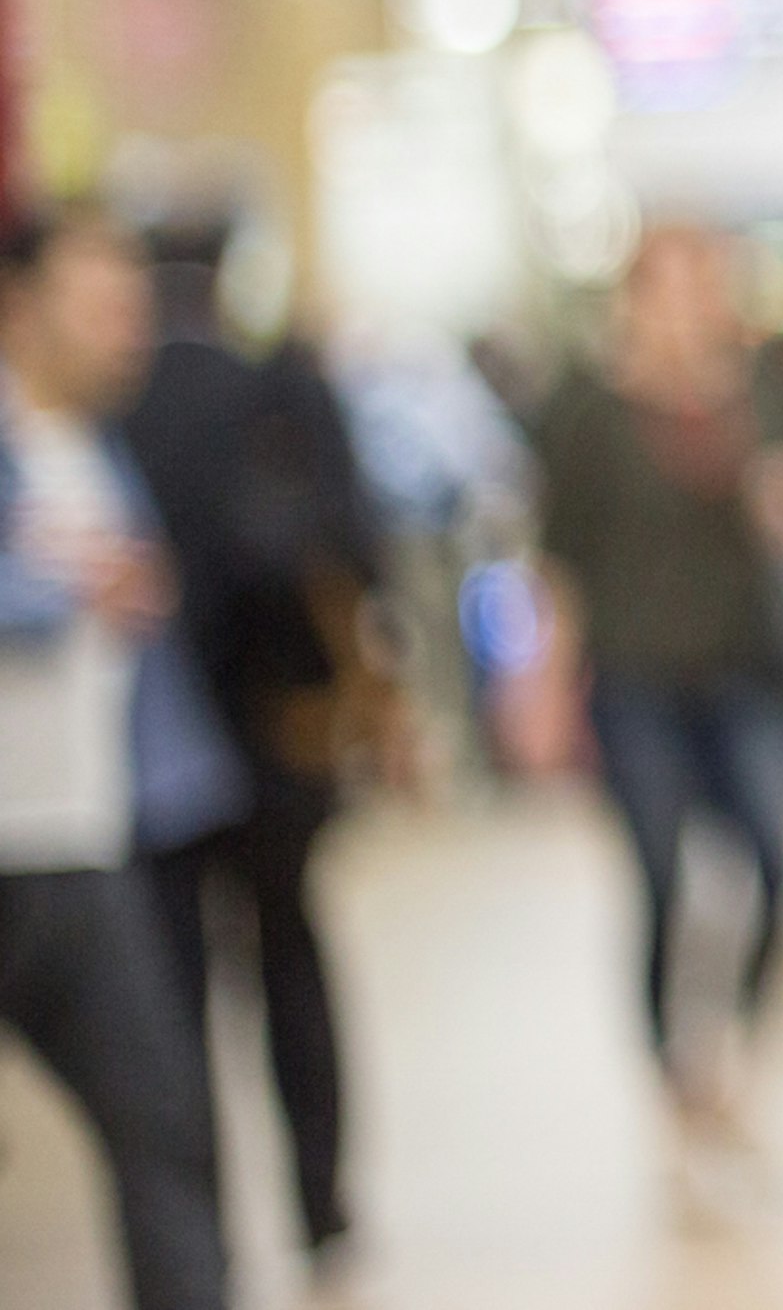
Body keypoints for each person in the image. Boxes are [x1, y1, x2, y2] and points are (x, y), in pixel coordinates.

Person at [125, 223, 392, 1272]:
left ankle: (202, 1232)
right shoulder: (276, 386)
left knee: (173, 994)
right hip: (277, 723)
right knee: (290, 962)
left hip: (155, 744)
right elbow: (354, 542)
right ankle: (319, 1197)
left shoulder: (119, 407)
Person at [533, 222, 783, 1165]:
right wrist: (536, 686)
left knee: (777, 863)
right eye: (674, 288)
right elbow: (556, 559)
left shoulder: (764, 394)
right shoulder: (587, 408)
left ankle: (732, 1048)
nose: (693, 309)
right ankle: (672, 1071)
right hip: (633, 674)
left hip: (742, 667)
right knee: (660, 872)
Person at [0, 207, 241, 1310]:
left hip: (82, 845)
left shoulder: (102, 456)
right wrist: (57, 598)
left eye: (132, 307)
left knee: (165, 1131)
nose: (126, 332)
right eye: (99, 305)